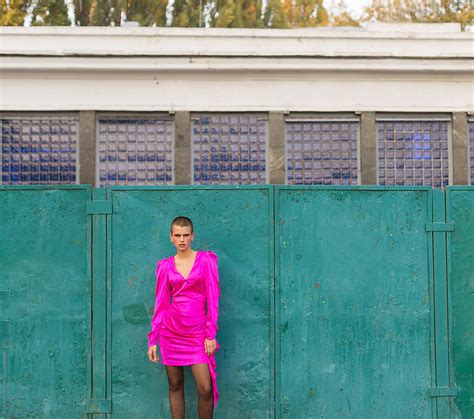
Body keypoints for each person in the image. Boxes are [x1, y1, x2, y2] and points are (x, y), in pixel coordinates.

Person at [147, 216, 220, 419]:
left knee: (205, 388)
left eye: (185, 235)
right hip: (171, 332)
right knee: (175, 384)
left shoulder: (206, 260)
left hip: (198, 333)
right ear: (171, 237)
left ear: (192, 236)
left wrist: (210, 334)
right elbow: (161, 303)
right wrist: (153, 339)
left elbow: (213, 299)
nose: (181, 240)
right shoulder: (164, 266)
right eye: (177, 235)